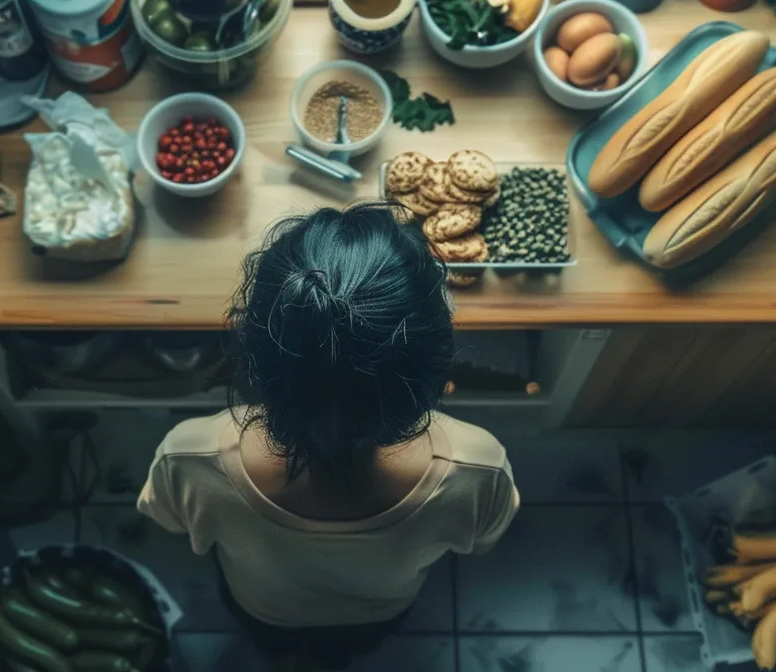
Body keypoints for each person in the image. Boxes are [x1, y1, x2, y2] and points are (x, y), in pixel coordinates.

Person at [137, 204, 520, 671]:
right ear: (435, 369)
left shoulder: (188, 454)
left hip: (262, 608)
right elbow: (481, 542)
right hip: (379, 613)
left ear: (255, 356)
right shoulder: (479, 467)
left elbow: (172, 522)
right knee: (352, 650)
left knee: (270, 644)